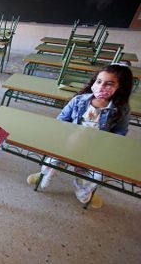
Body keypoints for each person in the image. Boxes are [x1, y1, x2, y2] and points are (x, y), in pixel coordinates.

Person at [26, 64, 133, 208]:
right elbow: (61, 120)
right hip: (70, 142)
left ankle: (84, 193)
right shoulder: (79, 100)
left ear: (120, 87)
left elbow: (120, 133)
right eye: (99, 81)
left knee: (98, 176)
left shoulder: (121, 110)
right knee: (52, 161)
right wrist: (66, 136)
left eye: (109, 84)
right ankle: (43, 176)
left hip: (95, 149)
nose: (101, 87)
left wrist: (105, 147)